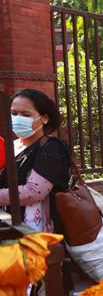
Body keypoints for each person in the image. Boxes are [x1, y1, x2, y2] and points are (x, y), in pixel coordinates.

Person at [0, 89, 72, 233]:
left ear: (44, 118)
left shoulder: (51, 148)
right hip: (5, 224)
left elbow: (34, 192)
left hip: (33, 232)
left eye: (26, 115)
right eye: (14, 114)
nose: (17, 119)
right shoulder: (9, 146)